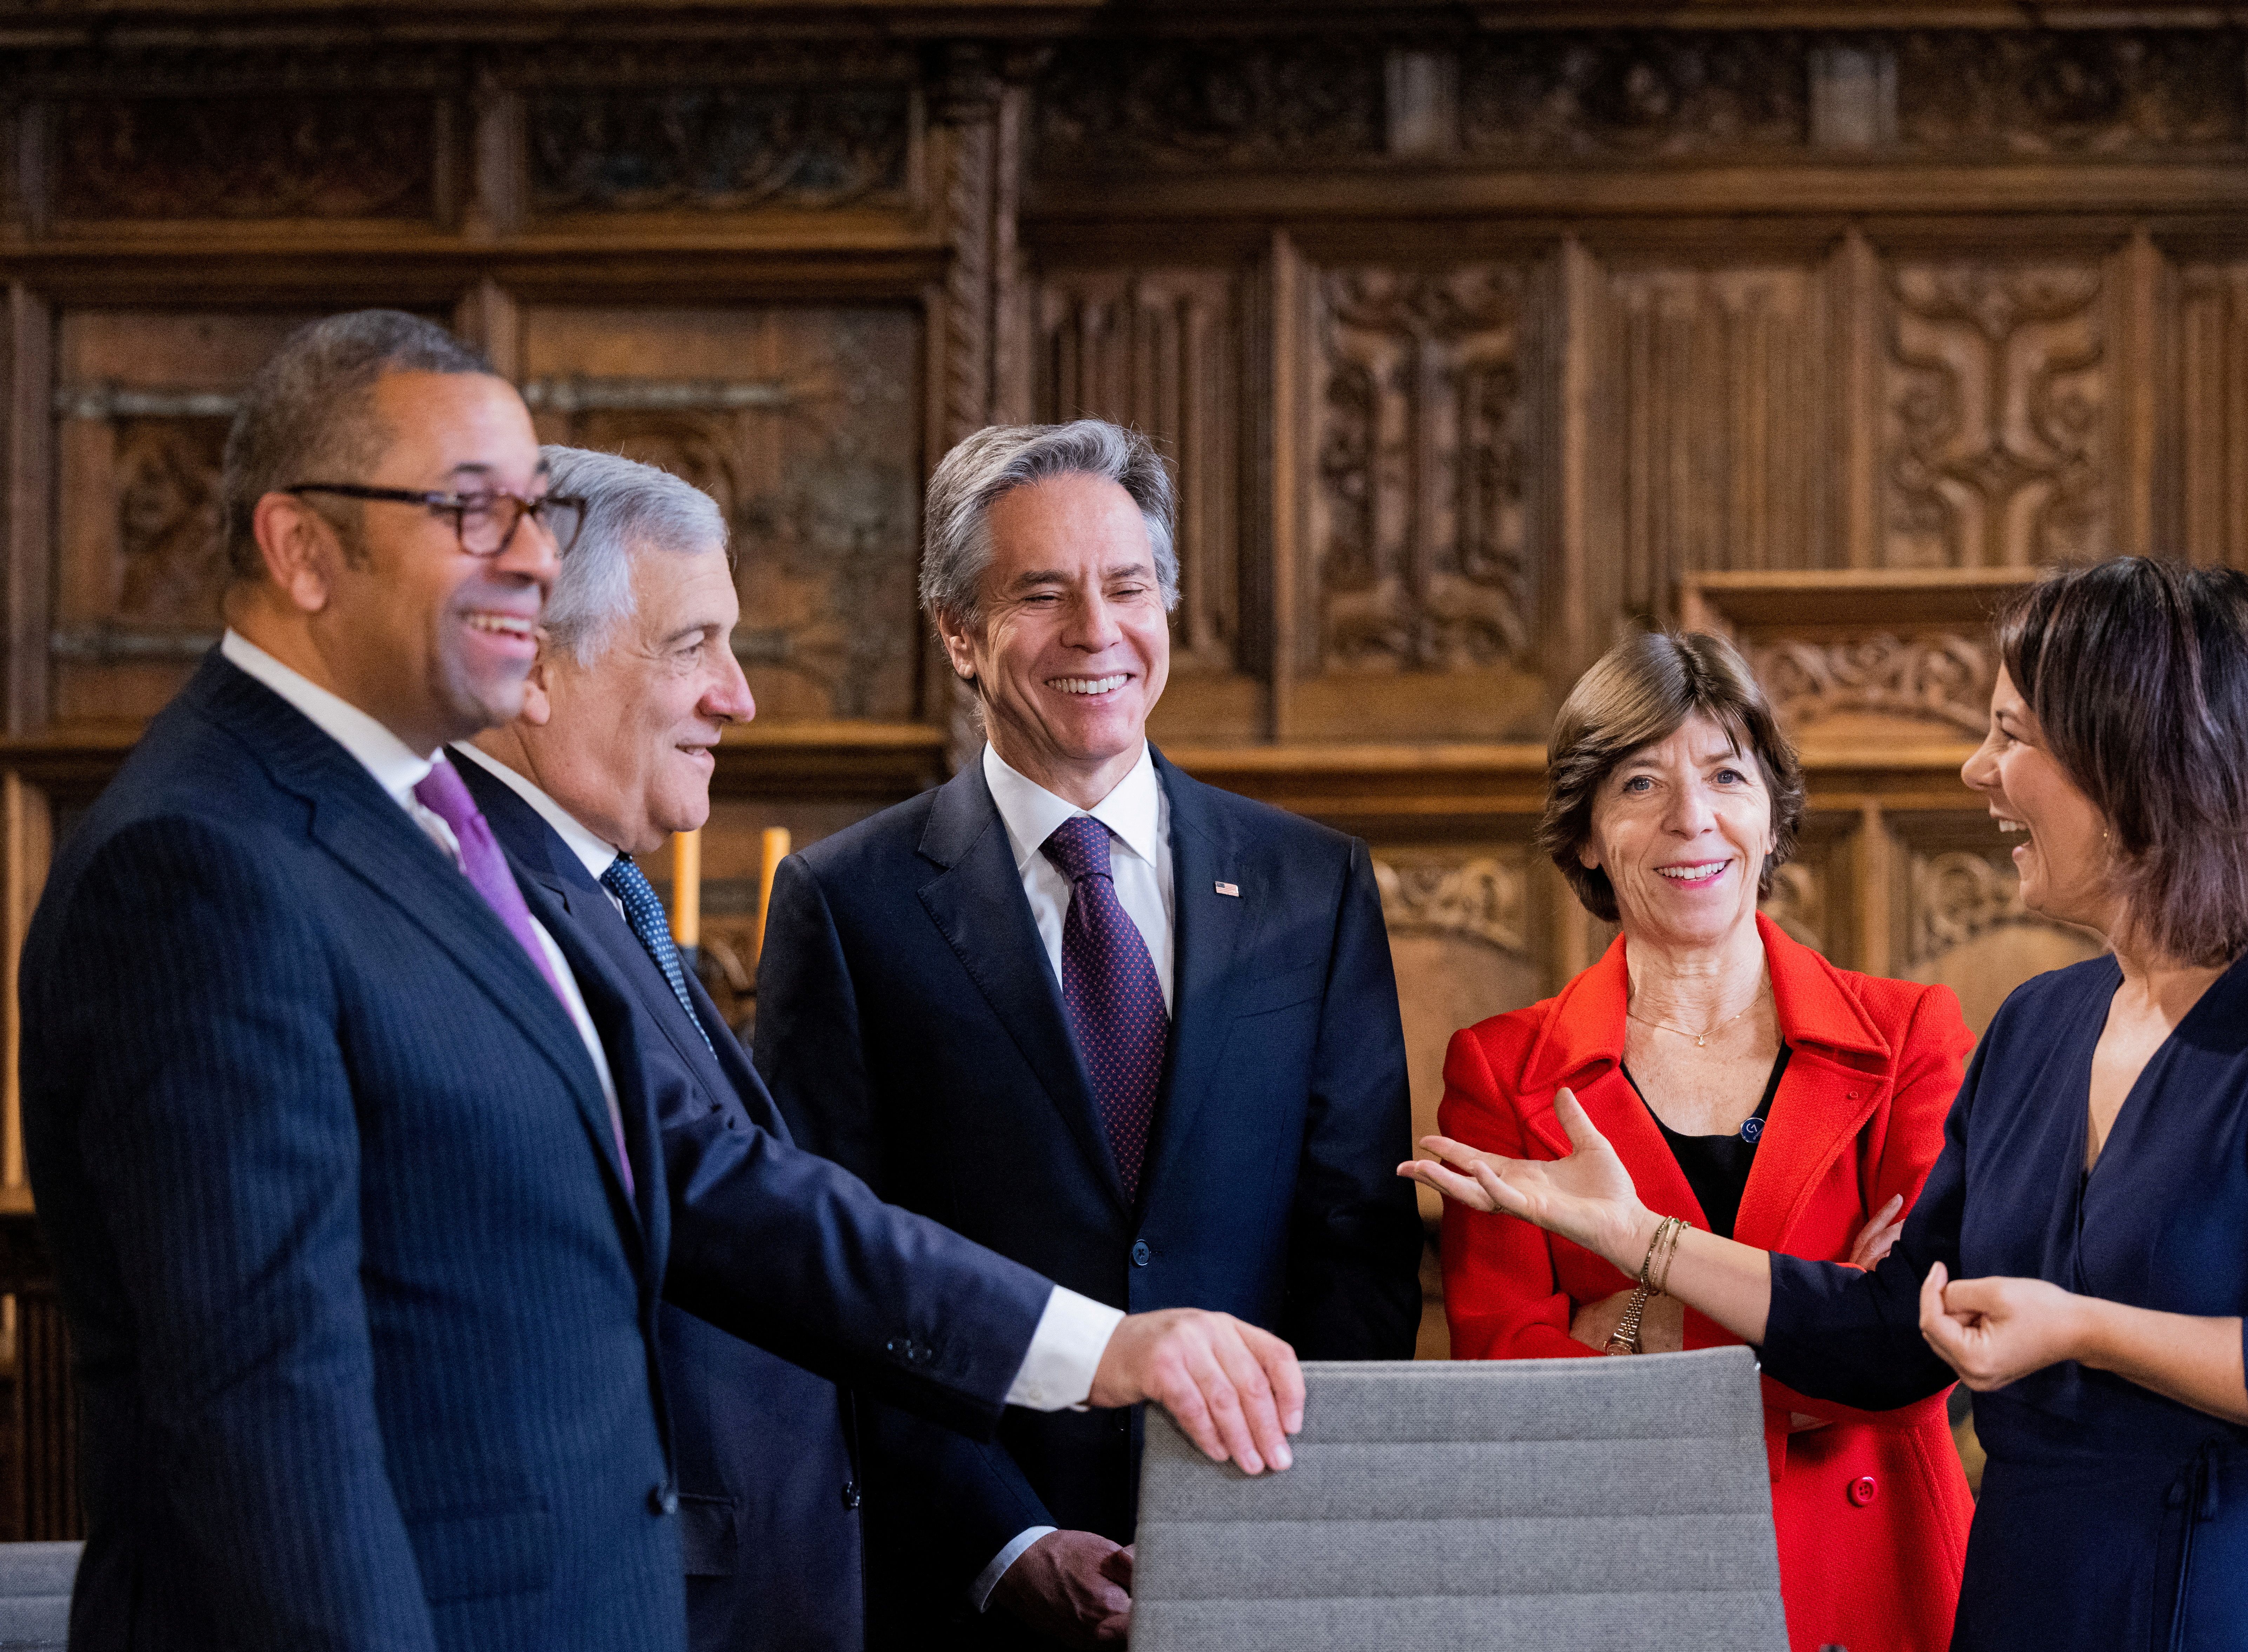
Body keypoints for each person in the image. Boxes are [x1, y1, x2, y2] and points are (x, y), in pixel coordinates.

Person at [18, 314, 1305, 1652]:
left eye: (527, 512)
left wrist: (1095, 1347)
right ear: (301, 548)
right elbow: (263, 1418)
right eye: (475, 513)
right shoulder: (200, 859)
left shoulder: (406, 830)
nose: (526, 556)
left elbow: (700, 1181)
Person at [1406, 558, 2248, 1651]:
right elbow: (1891, 1330)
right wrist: (1641, 1239)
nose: (1976, 770)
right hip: (2021, 1600)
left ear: (2139, 762)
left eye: (2013, 736)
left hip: (2228, 1606)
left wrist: (2084, 1329)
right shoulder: (2038, 1023)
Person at [757, 418, 1425, 1649]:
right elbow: (827, 1267)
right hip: (968, 1583)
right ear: (959, 630)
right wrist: (1000, 1541)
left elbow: (1357, 1245)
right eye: (1041, 594)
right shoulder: (844, 903)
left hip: (1264, 1557)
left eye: (1127, 586)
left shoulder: (1309, 883)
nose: (1095, 630)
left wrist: (1276, 1506)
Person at [1438, 630, 1973, 1652]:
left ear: (1769, 813)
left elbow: (1916, 1355)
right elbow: (1511, 1386)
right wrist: (1822, 1323)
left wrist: (1631, 1319)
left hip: (1876, 1588)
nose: (1692, 819)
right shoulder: (1500, 1070)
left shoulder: (1910, 1036)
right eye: (1640, 783)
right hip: (1622, 1583)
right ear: (1587, 832)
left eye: (1725, 773)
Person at [448, 444, 864, 1650]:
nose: (738, 695)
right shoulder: (495, 911)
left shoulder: (603, 891)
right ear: (535, 664)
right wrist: (1079, 1344)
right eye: (692, 646)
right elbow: (720, 1196)